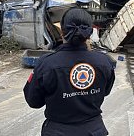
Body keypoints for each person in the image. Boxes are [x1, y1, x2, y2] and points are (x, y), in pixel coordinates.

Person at [23, 8, 115, 136]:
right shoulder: (104, 62)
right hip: (94, 131)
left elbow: (33, 101)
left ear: (62, 31)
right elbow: (105, 92)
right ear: (89, 33)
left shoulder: (47, 64)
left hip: (58, 131)